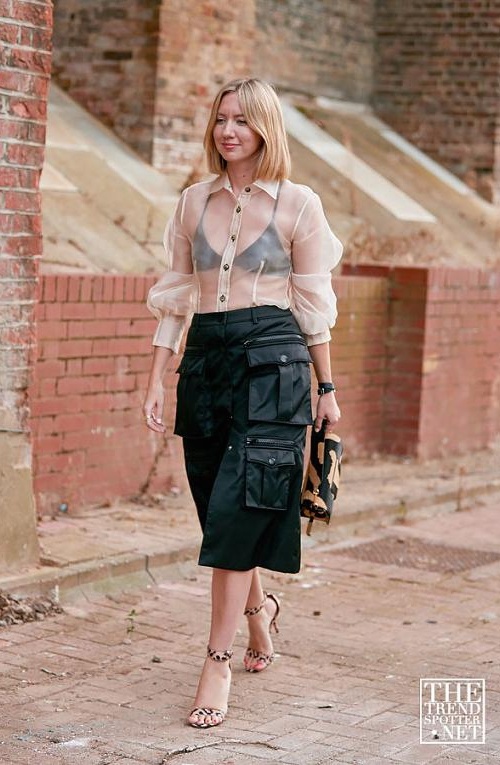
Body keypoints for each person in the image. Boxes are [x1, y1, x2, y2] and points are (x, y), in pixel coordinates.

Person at [143, 78, 342, 729]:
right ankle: (260, 613)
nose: (229, 131)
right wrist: (157, 376)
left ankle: (216, 662)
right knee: (217, 510)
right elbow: (176, 296)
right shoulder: (192, 202)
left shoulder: (299, 204)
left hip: (275, 364)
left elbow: (314, 306)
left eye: (243, 120)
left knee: (241, 505)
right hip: (207, 358)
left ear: (265, 128)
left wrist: (327, 390)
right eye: (221, 119)